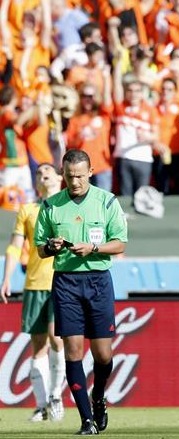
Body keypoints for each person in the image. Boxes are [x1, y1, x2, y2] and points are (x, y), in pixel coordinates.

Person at [34, 149, 128, 435]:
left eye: (79, 176)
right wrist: (52, 246)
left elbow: (120, 243)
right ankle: (86, 420)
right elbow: (40, 249)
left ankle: (98, 396)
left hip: (98, 281)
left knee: (103, 355)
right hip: (66, 282)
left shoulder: (106, 201)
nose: (74, 182)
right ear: (62, 174)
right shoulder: (51, 205)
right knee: (73, 350)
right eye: (68, 176)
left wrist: (93, 248)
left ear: (90, 172)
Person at [1, 163, 66, 422]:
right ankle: (41, 406)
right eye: (38, 173)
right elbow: (15, 247)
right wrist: (6, 278)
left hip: (62, 282)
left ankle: (56, 395)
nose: (43, 174)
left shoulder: (68, 208)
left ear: (60, 177)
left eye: (48, 170)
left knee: (57, 338)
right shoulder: (27, 210)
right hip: (34, 284)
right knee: (38, 345)